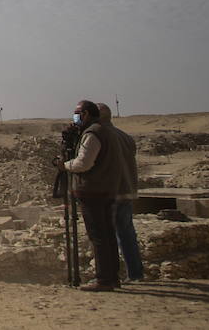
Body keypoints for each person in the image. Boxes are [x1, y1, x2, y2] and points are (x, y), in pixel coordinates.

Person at [56, 99, 123, 292]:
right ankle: (112, 277)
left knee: (98, 235)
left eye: (77, 114)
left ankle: (103, 279)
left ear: (85, 114)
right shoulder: (107, 131)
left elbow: (83, 163)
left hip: (93, 190)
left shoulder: (93, 133)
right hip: (107, 189)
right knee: (108, 234)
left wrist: (65, 166)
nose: (75, 118)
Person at [98, 103, 144, 283]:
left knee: (106, 236)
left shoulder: (101, 137)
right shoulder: (125, 137)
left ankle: (109, 275)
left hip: (110, 192)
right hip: (127, 190)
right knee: (127, 233)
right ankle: (135, 273)